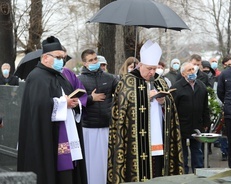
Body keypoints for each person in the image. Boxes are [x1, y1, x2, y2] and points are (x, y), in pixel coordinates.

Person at [108, 40, 184, 183]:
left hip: (159, 136)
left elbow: (171, 109)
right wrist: (144, 97)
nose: (152, 72)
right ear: (140, 65)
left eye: (154, 68)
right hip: (134, 141)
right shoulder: (127, 81)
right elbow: (121, 109)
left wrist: (164, 102)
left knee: (158, 171)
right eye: (149, 68)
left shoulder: (160, 81)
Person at [17, 36, 87, 184]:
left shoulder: (60, 76)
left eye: (63, 57)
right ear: (45, 58)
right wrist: (63, 103)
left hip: (67, 132)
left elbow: (71, 96)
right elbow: (38, 106)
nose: (61, 60)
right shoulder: (36, 77)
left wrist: (75, 104)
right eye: (58, 57)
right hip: (48, 138)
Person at [77, 49, 118, 184]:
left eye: (95, 59)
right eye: (91, 60)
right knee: (91, 162)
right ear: (84, 63)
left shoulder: (109, 78)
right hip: (89, 127)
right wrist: (90, 98)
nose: (94, 62)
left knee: (106, 161)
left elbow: (121, 93)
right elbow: (75, 102)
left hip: (107, 125)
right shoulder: (79, 80)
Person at [171, 61, 210, 174]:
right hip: (182, 125)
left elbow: (205, 106)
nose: (192, 72)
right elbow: (173, 109)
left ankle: (198, 174)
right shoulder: (176, 88)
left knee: (197, 152)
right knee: (183, 154)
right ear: (183, 74)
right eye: (189, 70)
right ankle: (184, 174)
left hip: (197, 125)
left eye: (193, 69)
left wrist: (206, 123)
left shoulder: (201, 86)